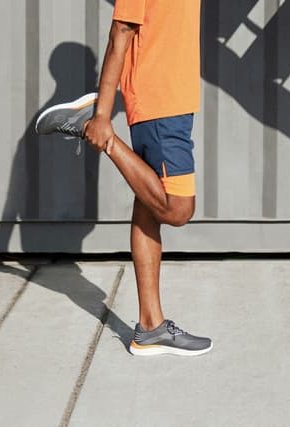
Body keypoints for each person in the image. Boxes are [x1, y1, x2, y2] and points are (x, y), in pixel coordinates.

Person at [36, 0, 212, 356]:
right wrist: (102, 116)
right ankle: (94, 130)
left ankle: (150, 328)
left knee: (148, 206)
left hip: (174, 98)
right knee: (177, 209)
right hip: (160, 102)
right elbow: (121, 31)